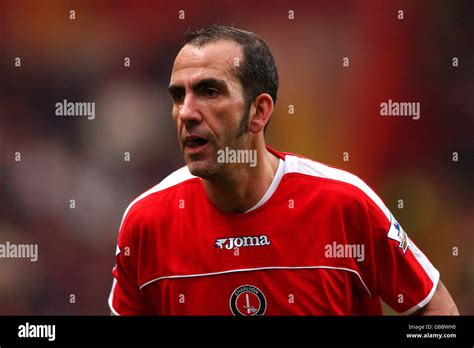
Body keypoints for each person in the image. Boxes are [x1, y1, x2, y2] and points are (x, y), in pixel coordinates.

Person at [108, 25, 458, 316]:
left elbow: (434, 310)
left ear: (259, 111)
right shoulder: (146, 222)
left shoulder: (344, 204)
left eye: (209, 91)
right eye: (177, 96)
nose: (186, 112)